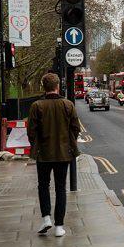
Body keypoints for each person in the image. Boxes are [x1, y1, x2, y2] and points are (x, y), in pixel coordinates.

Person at [27, 73, 80, 237]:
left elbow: (31, 132)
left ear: (44, 87)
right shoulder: (68, 104)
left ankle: (46, 218)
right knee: (60, 189)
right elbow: (75, 128)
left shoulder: (37, 106)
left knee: (43, 186)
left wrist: (36, 145)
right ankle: (59, 226)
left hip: (43, 154)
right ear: (57, 86)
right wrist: (69, 142)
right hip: (64, 154)